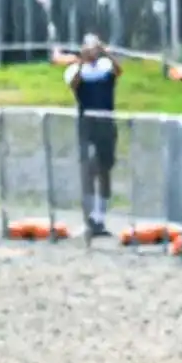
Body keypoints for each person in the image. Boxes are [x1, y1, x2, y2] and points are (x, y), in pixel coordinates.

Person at [64, 33, 123, 236]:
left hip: (106, 123)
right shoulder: (75, 69)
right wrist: (82, 61)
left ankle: (101, 216)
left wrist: (107, 53)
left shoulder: (106, 67)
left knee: (104, 169)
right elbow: (74, 84)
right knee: (88, 167)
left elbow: (118, 71)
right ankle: (88, 217)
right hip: (86, 125)